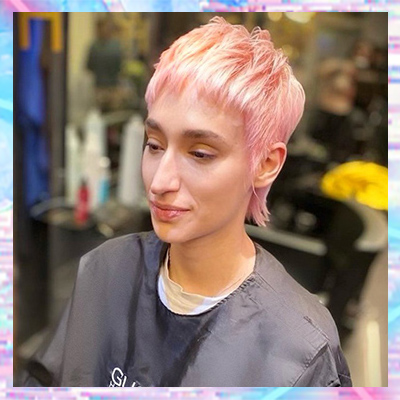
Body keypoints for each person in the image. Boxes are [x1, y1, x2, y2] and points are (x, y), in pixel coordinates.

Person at [22, 17, 352, 387]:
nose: (160, 182)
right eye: (154, 145)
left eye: (199, 154)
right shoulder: (105, 271)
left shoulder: (299, 352)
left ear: (265, 164)